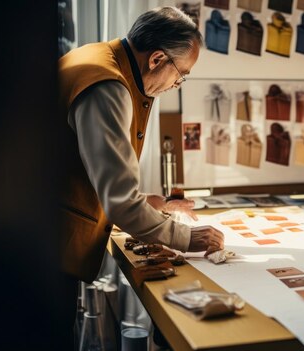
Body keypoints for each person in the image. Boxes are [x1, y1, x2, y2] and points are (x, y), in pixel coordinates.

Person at [58, 5, 224, 329]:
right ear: (157, 59)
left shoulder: (102, 60)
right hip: (37, 251)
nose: (177, 84)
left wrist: (148, 202)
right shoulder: (108, 87)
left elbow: (93, 172)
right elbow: (119, 201)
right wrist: (188, 238)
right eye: (181, 75)